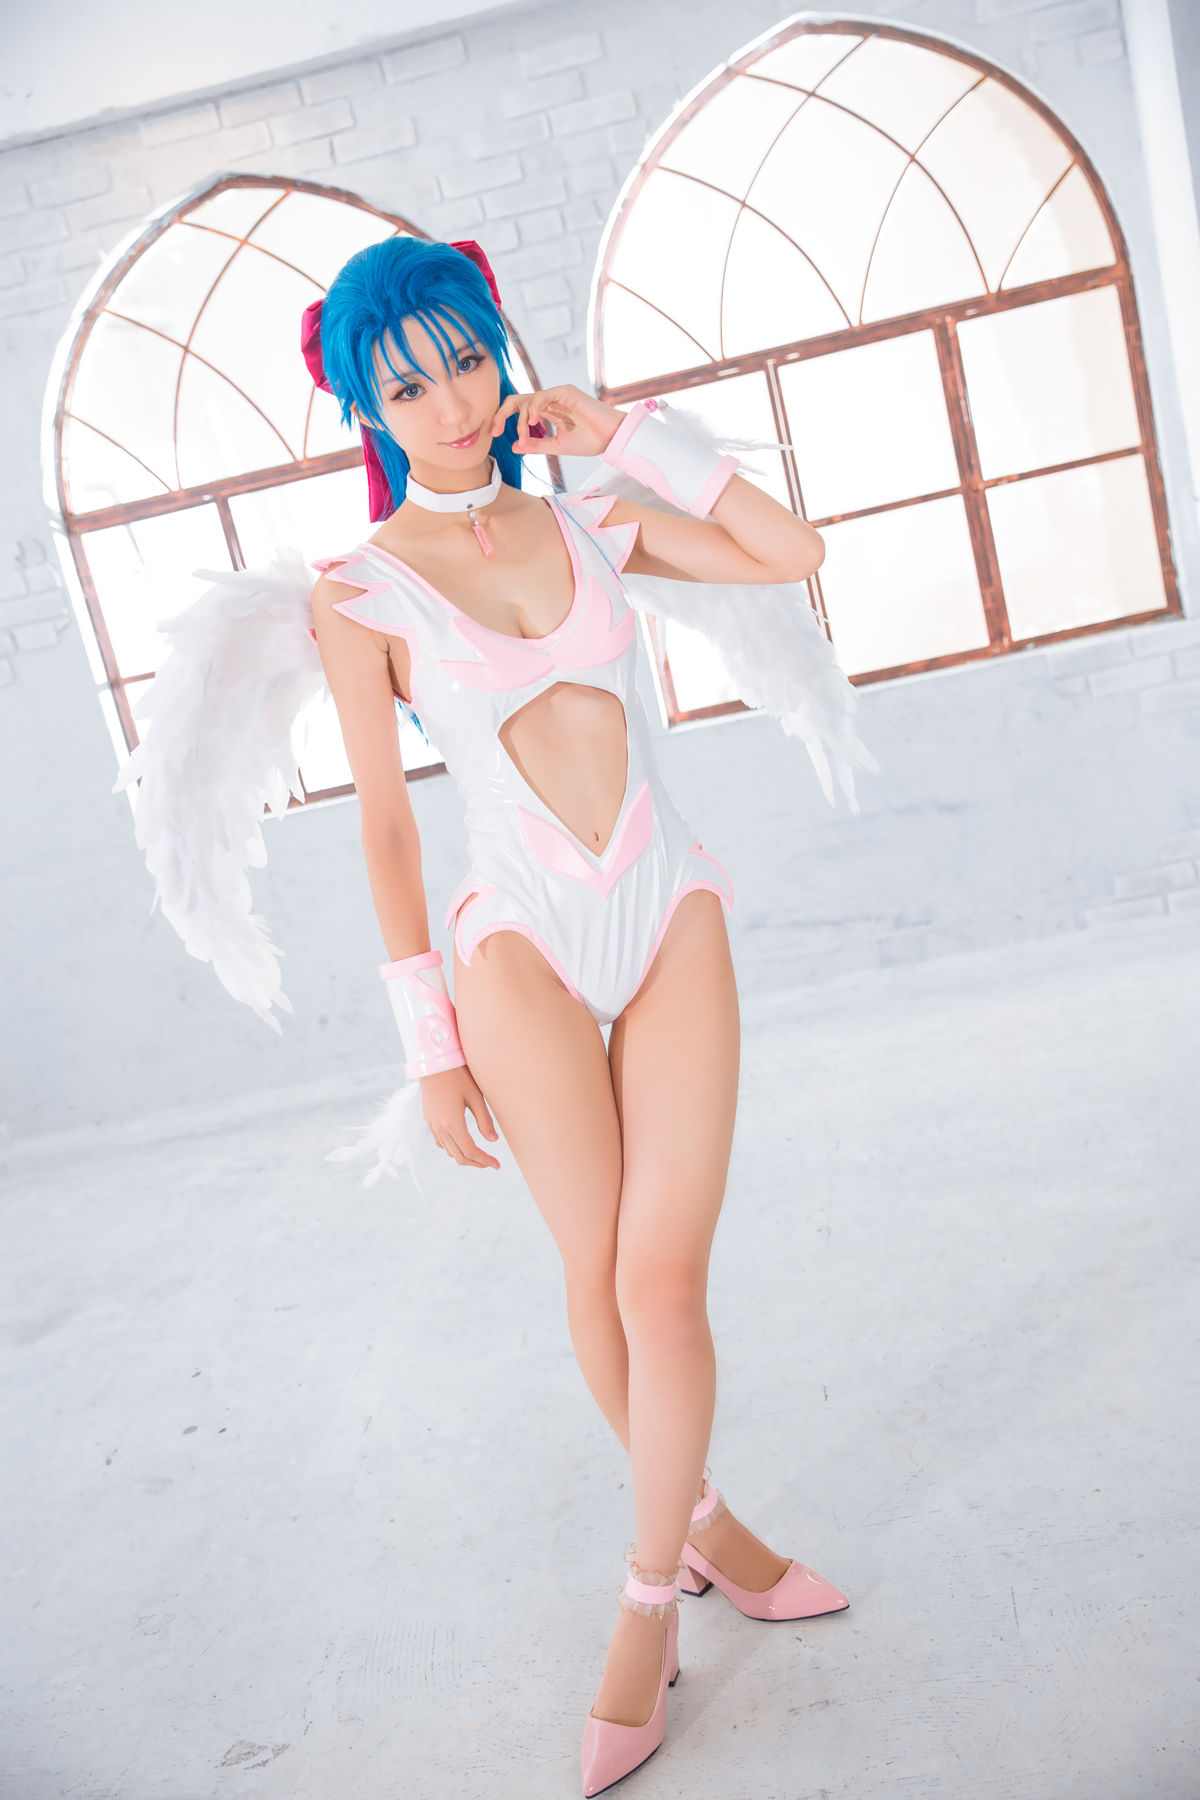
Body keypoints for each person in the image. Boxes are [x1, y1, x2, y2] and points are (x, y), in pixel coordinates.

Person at [303, 235, 852, 1795]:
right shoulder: (359, 590)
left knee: (661, 1284)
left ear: (500, 354)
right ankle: (710, 1536)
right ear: (369, 408)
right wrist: (429, 1049)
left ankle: (647, 1600)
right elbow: (385, 827)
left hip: (665, 906)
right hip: (516, 949)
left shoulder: (595, 514)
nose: (450, 399)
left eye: (466, 358)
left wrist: (627, 432)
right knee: (598, 1276)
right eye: (408, 383)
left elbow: (791, 552)